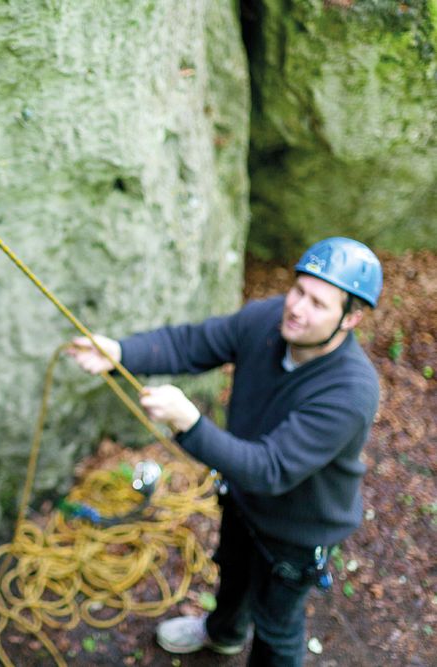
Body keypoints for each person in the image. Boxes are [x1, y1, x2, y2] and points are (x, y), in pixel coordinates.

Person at [67, 237, 382, 666]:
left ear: (351, 318)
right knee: (232, 572)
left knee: (277, 625)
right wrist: (120, 352)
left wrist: (190, 423)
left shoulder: (350, 390)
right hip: (243, 498)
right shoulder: (270, 320)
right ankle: (224, 634)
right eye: (298, 290)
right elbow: (195, 343)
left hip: (298, 528)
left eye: (318, 304)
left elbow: (270, 469)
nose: (296, 308)